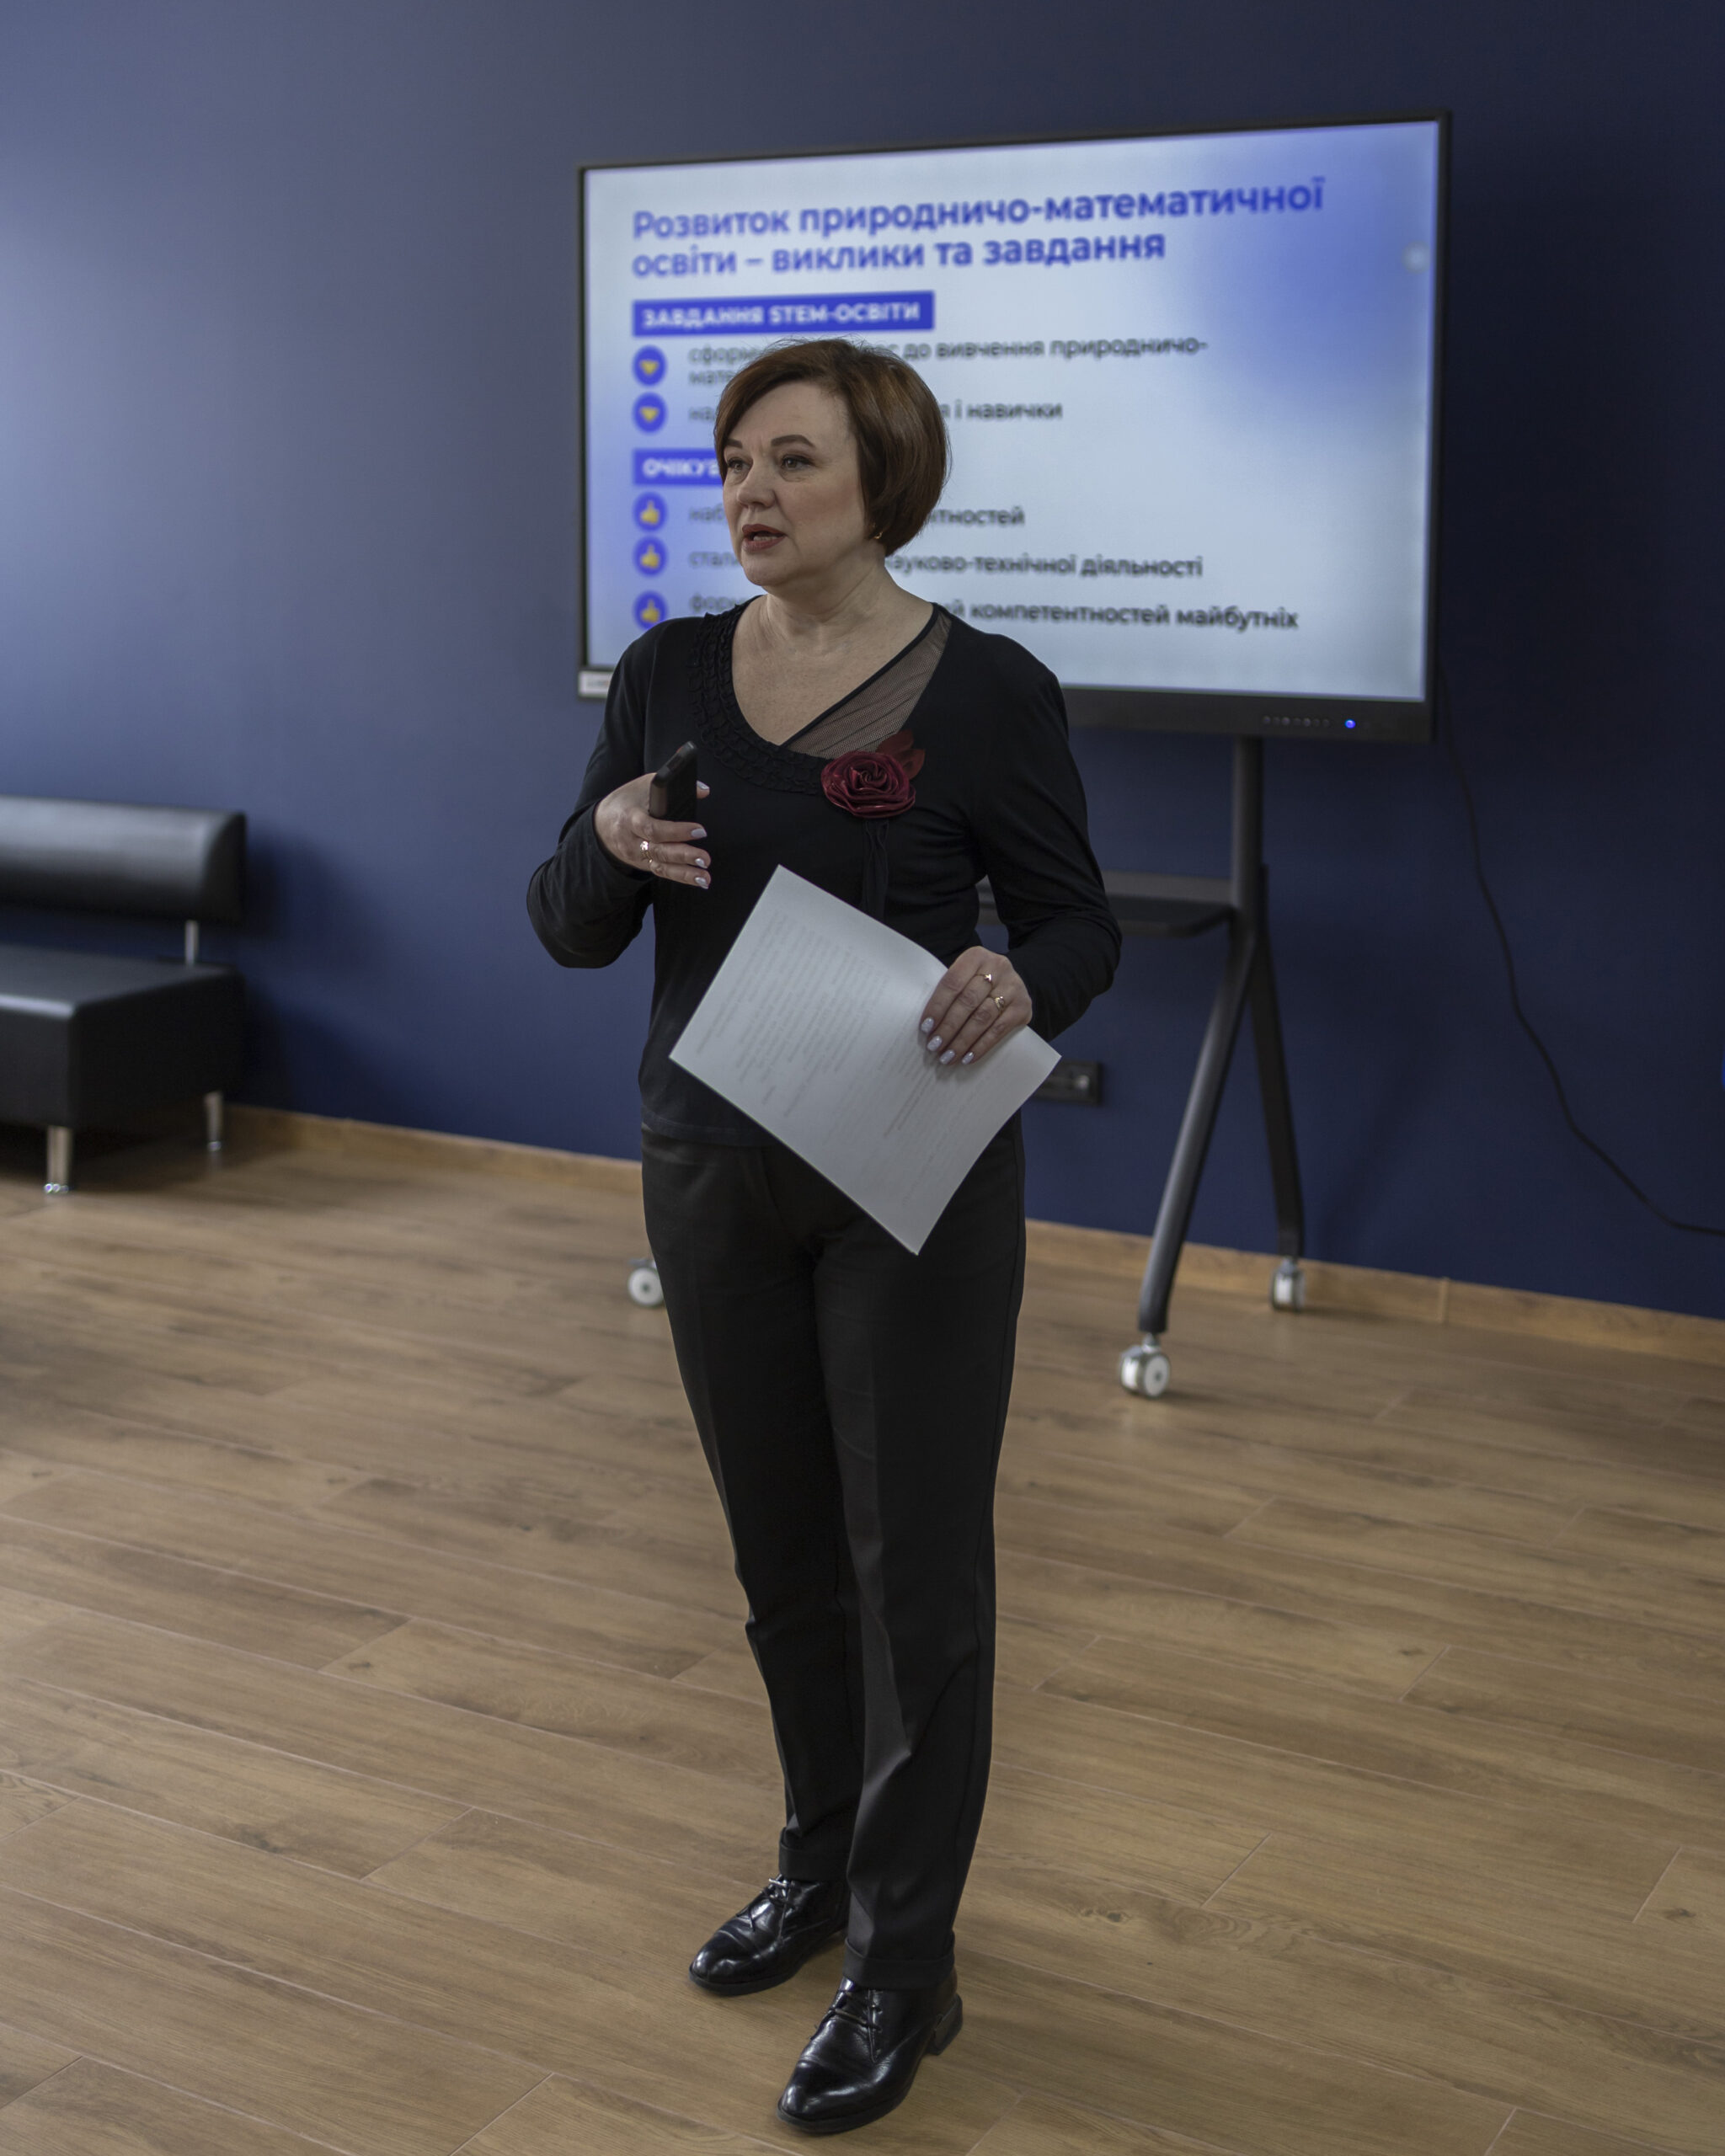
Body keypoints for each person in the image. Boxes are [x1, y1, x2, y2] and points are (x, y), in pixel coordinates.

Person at [528, 339, 1119, 2134]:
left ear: (885, 485)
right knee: (782, 1558)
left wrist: (1018, 978)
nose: (749, 491)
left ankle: (905, 1961)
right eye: (733, 461)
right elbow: (569, 922)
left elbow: (1077, 925)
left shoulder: (991, 690)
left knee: (912, 1572)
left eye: (790, 460)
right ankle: (814, 1870)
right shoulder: (667, 672)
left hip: (906, 1178)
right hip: (712, 1167)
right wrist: (608, 833)